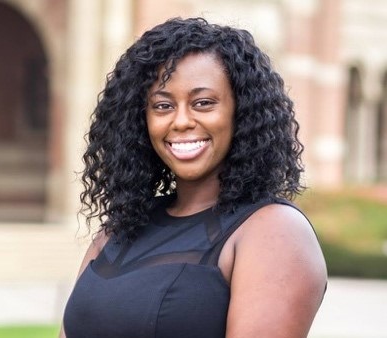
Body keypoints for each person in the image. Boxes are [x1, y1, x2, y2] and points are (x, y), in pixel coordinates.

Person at [60, 17, 327, 338]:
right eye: (163, 105)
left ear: (240, 111)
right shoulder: (117, 231)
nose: (181, 120)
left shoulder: (273, 231)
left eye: (203, 103)